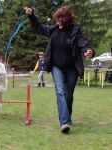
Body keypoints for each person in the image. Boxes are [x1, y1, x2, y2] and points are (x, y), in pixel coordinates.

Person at [25, 6, 95, 134]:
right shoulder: (54, 30)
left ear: (66, 19)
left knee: (68, 95)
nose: (57, 22)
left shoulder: (75, 31)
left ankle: (67, 117)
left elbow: (84, 44)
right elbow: (40, 27)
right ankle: (64, 122)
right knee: (60, 91)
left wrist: (89, 51)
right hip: (57, 67)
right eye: (56, 19)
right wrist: (31, 15)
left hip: (72, 68)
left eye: (59, 19)